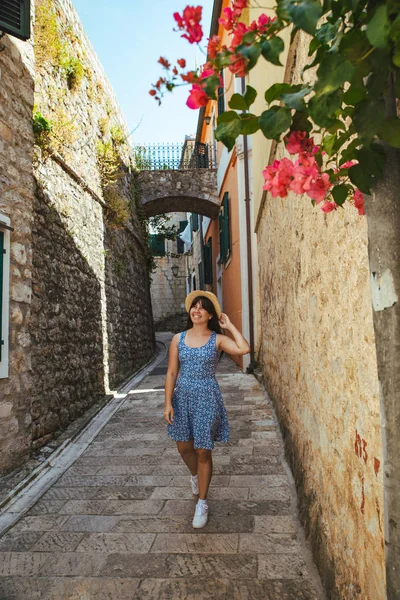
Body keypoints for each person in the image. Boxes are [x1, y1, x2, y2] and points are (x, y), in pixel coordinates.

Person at [163, 291, 250, 528]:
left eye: (202, 308)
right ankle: (195, 476)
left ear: (210, 314)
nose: (196, 310)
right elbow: (171, 372)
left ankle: (202, 502)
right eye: (194, 307)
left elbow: (244, 349)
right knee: (184, 448)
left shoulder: (217, 340)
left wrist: (230, 326)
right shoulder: (177, 339)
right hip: (182, 398)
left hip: (207, 398)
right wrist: (168, 402)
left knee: (203, 450)